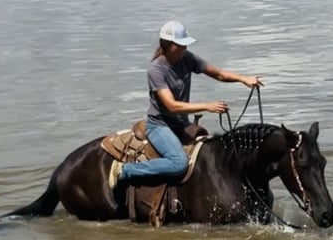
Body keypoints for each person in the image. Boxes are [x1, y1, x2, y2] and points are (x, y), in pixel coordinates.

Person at [110, 20, 263, 187]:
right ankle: (125, 170)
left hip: (182, 123)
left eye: (185, 45)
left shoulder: (187, 58)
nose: (184, 48)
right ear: (168, 45)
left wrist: (243, 79)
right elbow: (172, 106)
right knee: (179, 163)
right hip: (160, 126)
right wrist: (207, 106)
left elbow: (218, 74)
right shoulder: (156, 70)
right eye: (180, 45)